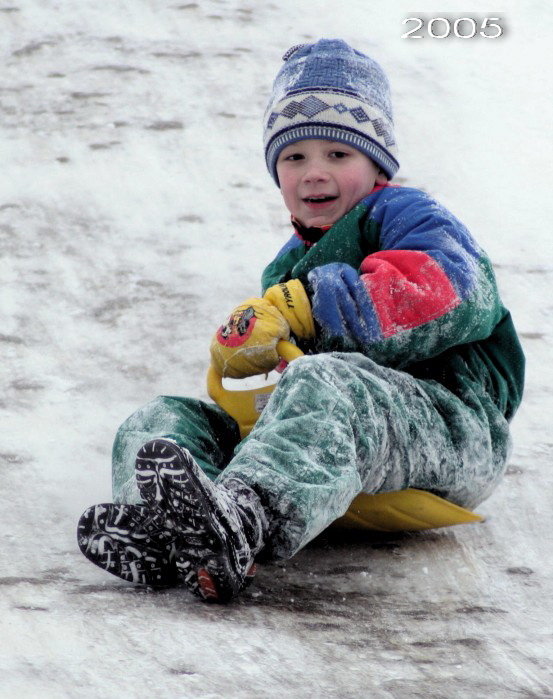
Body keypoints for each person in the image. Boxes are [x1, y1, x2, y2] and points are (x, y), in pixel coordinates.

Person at [77, 39, 525, 603]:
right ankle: (168, 529)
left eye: (338, 155)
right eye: (295, 157)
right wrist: (248, 360)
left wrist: (312, 311)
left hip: (450, 430)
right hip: (340, 444)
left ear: (377, 163)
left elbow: (448, 289)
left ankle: (241, 518)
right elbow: (295, 378)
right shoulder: (285, 266)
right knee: (164, 415)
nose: (314, 173)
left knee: (326, 381)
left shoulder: (408, 215)